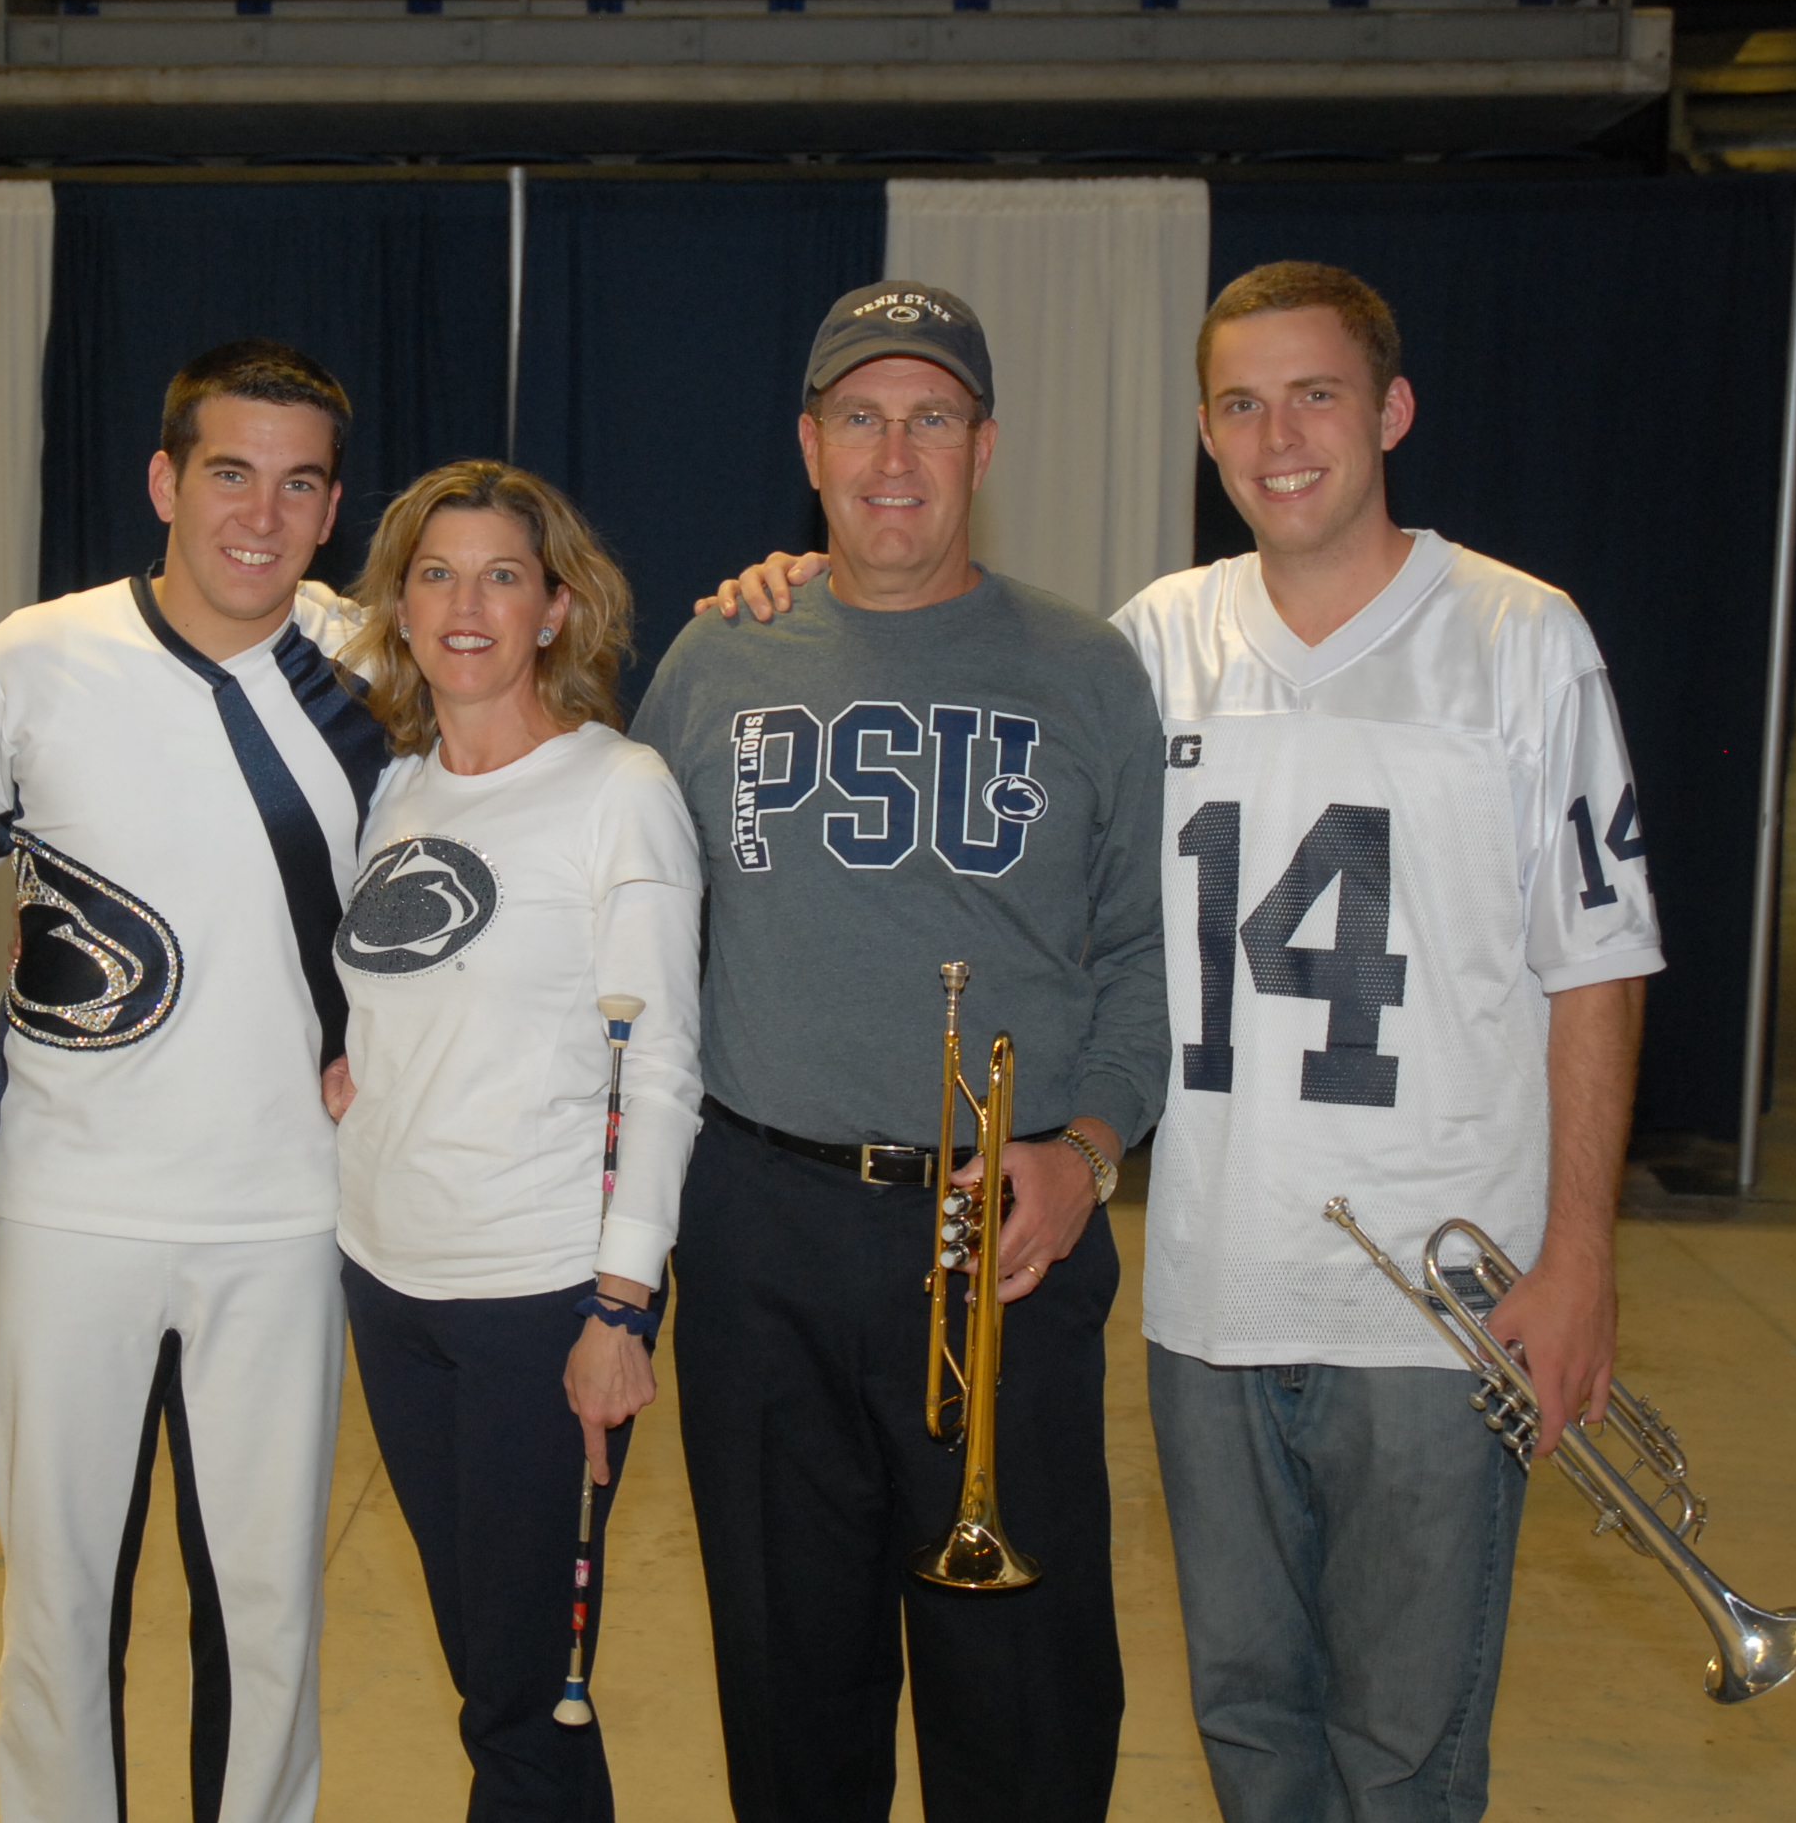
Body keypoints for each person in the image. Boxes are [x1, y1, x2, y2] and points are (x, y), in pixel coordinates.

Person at [722, 263, 1666, 1822]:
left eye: (1316, 395)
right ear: (1204, 432)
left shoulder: (1520, 635)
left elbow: (1599, 961)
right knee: (1245, 1719)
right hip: (1214, 1292)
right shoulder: (1152, 643)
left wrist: (1579, 1257)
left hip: (1440, 1301)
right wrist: (791, 582)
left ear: (1393, 412)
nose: (1277, 434)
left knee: (1405, 1751)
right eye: (1239, 401)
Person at [627, 281, 1169, 1823]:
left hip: (1007, 1232)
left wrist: (1092, 1153)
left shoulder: (1087, 668)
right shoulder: (717, 658)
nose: (893, 455)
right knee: (792, 1679)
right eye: (860, 417)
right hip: (764, 1225)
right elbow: (620, 924)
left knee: (1026, 1688)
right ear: (808, 444)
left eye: (931, 417)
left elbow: (1141, 959)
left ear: (985, 446)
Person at [0, 340, 387, 1823]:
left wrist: (771, 588)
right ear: (164, 480)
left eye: (297, 485)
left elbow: (535, 786)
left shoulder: (386, 661)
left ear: (334, 507)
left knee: (269, 1609)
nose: (259, 517)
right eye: (229, 472)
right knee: (59, 1599)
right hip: (72, 1205)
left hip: (288, 1209)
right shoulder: (41, 653)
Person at [318, 461, 703, 1822]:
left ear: (554, 609)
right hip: (388, 1278)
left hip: (543, 1298)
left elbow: (661, 1068)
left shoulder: (619, 789)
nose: (464, 603)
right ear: (401, 606)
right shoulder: (397, 788)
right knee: (490, 1667)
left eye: (500, 576)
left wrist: (623, 1307)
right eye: (434, 573)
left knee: (526, 1688)